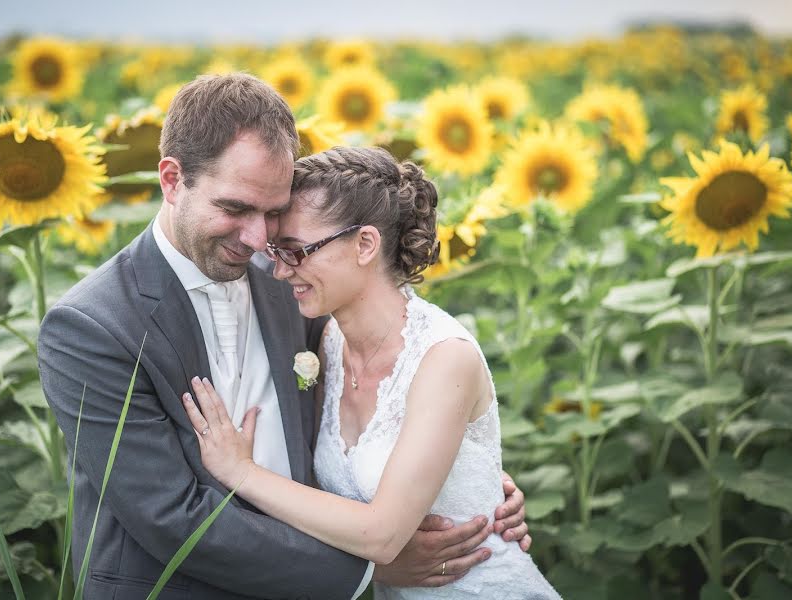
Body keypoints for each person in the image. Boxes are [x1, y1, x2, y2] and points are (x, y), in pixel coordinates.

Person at [38, 73, 530, 600]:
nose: (256, 239)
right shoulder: (91, 327)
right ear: (172, 179)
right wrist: (368, 570)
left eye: (273, 213)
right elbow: (169, 516)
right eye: (234, 208)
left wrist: (469, 488)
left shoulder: (296, 285)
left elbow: (383, 389)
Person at [180, 146, 562, 599]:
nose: (280, 271)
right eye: (275, 252)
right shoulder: (329, 345)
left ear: (365, 244)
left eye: (297, 251)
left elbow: (382, 535)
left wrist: (241, 472)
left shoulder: (445, 358)